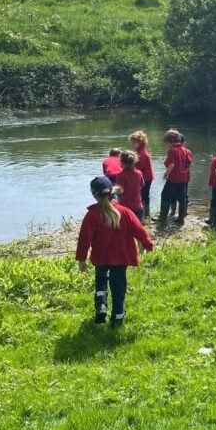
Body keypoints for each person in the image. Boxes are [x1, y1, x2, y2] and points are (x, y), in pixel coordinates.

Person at [75, 176, 154, 325]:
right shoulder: (125, 212)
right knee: (118, 286)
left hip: (101, 256)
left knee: (101, 280)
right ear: (112, 192)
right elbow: (140, 230)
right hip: (121, 257)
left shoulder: (92, 215)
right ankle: (117, 316)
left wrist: (81, 259)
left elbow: (84, 239)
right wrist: (148, 245)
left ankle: (101, 307)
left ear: (94, 194)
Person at [159, 129, 190, 226]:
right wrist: (183, 172)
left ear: (170, 141)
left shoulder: (172, 150)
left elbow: (171, 164)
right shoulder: (186, 150)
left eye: (167, 143)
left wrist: (166, 173)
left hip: (173, 178)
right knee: (182, 198)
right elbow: (188, 164)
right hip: (184, 178)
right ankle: (181, 220)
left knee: (165, 196)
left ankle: (163, 221)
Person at [129, 130, 154, 220]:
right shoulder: (140, 151)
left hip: (145, 177)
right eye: (132, 142)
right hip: (147, 176)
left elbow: (138, 168)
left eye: (134, 142)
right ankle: (146, 213)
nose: (132, 144)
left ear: (140, 142)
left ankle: (144, 214)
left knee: (143, 195)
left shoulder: (141, 154)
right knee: (144, 195)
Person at [114, 150, 145, 220]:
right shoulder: (139, 173)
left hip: (125, 208)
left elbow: (120, 191)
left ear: (121, 162)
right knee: (137, 228)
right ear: (135, 160)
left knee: (126, 229)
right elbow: (142, 185)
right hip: (138, 206)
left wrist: (113, 190)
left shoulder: (120, 175)